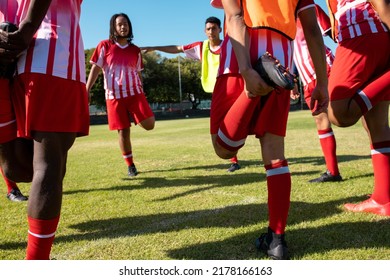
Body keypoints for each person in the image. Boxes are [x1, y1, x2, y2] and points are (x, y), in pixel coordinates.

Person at [210, 0, 329, 260]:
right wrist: (322, 81)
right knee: (275, 153)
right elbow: (311, 29)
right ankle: (277, 241)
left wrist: (246, 70)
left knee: (222, 148)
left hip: (238, 58)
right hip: (278, 62)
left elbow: (236, 15)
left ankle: (250, 92)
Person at [0, 0, 90, 260]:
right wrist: (26, 28)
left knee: (23, 169)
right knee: (43, 168)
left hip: (22, 58)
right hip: (53, 56)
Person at [141, 16, 241, 173]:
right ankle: (234, 159)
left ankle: (235, 159)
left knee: (231, 125)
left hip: (231, 90)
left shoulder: (229, 46)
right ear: (204, 31)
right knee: (222, 127)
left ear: (220, 30)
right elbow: (177, 48)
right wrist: (155, 47)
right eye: (208, 29)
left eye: (214, 28)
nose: (211, 31)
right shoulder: (202, 47)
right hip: (215, 93)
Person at [325, 0, 390, 216]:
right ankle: (383, 199)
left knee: (338, 112)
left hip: (361, 31)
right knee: (375, 123)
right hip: (374, 33)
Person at [87, 13, 155, 177]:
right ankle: (130, 165)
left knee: (149, 124)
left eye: (126, 24)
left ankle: (134, 115)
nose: (123, 27)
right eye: (119, 24)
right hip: (114, 96)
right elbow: (96, 68)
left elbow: (138, 73)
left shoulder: (135, 50)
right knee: (123, 132)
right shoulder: (104, 45)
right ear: (114, 27)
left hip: (135, 94)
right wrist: (87, 89)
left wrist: (142, 89)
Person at [291, 3, 342, 183]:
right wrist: (293, 80)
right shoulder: (281, 16)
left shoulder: (309, 7)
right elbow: (291, 52)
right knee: (321, 119)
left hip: (325, 69)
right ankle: (333, 172)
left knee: (356, 112)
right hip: (307, 78)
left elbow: (334, 33)